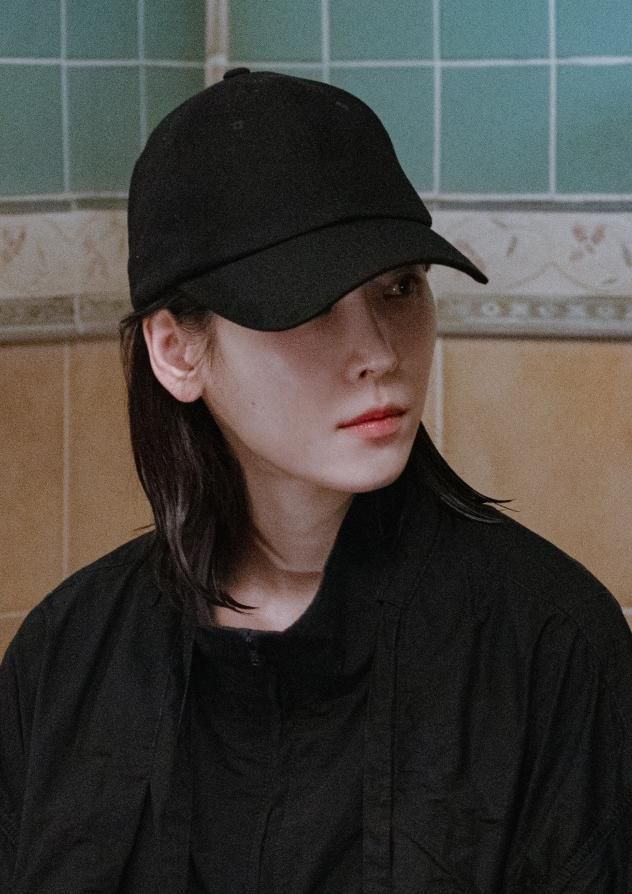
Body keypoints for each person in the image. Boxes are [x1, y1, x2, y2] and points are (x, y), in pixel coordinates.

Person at [1, 69, 631, 894]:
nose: (379, 352)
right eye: (310, 303)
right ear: (177, 351)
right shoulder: (64, 657)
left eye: (399, 288)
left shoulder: (556, 651)